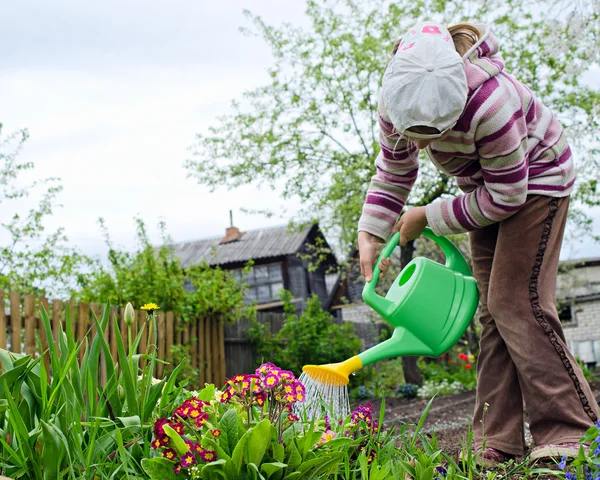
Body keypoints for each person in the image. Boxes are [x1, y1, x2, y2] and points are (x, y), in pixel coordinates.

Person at [357, 20, 599, 465]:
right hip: (485, 188)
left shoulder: (491, 103)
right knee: (493, 310)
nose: (422, 146)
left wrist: (427, 216)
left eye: (434, 135)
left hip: (537, 181)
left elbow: (510, 195)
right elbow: (394, 170)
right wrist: (370, 230)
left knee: (516, 302)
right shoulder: (397, 94)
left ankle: (571, 431)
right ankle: (498, 438)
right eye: (415, 136)